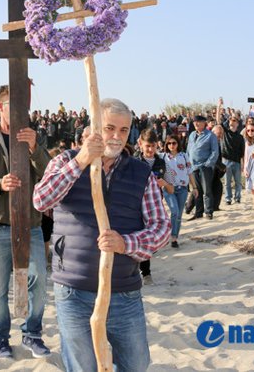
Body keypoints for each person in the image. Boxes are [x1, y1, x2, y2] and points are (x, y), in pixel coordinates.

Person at [33, 98, 170, 372]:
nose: (117, 136)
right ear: (95, 126)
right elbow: (41, 199)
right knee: (82, 366)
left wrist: (126, 243)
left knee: (136, 364)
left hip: (124, 290)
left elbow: (161, 228)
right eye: (109, 128)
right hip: (73, 288)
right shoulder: (65, 160)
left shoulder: (141, 173)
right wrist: (81, 161)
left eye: (123, 130)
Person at [0, 85, 52, 359]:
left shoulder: (34, 137)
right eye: (12, 107)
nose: (19, 113)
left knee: (39, 278)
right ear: (0, 108)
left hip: (30, 222)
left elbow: (48, 173)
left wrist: (35, 148)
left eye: (23, 108)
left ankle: (32, 333)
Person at [134, 129, 174, 283]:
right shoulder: (134, 162)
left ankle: (145, 272)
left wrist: (164, 184)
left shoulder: (162, 163)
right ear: (140, 144)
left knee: (148, 236)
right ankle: (143, 272)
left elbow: (171, 188)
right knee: (137, 234)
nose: (150, 150)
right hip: (136, 204)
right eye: (147, 146)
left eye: (153, 146)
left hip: (154, 206)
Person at [161, 135, 196, 248]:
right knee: (174, 211)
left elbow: (190, 172)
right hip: (169, 188)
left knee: (179, 215)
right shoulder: (162, 157)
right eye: (169, 143)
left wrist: (194, 187)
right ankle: (171, 234)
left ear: (178, 144)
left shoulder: (184, 156)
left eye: (174, 143)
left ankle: (174, 238)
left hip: (183, 189)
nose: (171, 145)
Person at [186, 115, 219, 220]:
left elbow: (215, 152)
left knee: (207, 190)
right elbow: (188, 150)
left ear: (204, 123)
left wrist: (207, 164)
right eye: (194, 122)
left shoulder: (210, 135)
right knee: (197, 191)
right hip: (193, 167)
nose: (196, 123)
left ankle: (208, 212)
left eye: (198, 121)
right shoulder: (192, 135)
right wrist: (187, 162)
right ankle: (198, 212)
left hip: (205, 167)